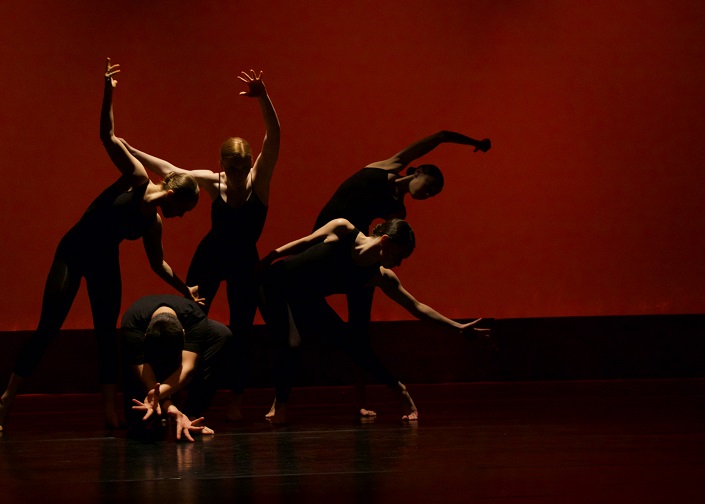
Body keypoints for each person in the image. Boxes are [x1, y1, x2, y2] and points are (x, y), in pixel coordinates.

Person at [0, 58, 202, 432]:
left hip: (104, 261)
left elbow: (158, 264)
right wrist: (108, 93)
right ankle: (5, 403)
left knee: (107, 335)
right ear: (170, 193)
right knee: (48, 328)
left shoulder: (152, 223)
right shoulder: (135, 178)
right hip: (73, 252)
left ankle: (108, 410)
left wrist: (185, 288)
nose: (180, 217)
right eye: (182, 210)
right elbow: (108, 135)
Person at [121, 69, 280, 420]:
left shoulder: (260, 182)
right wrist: (131, 150)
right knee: (189, 320)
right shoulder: (213, 182)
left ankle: (234, 399)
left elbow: (274, 138)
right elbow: (171, 170)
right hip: (210, 257)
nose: (238, 175)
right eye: (232, 169)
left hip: (243, 263)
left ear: (250, 164)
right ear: (221, 165)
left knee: (241, 330)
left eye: (243, 168)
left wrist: (263, 97)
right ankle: (173, 390)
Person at [313, 130, 490, 418]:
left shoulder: (397, 212)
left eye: (432, 194)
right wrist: (475, 143)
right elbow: (441, 136)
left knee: (360, 329)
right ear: (417, 170)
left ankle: (361, 399)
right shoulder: (389, 166)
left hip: (353, 253)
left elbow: (385, 240)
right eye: (429, 185)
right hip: (324, 238)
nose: (428, 194)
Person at [257, 218, 489, 424]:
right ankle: (281, 407)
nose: (399, 263)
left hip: (304, 296)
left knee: (350, 343)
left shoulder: (379, 276)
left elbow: (416, 307)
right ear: (385, 241)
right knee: (292, 343)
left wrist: (457, 328)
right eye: (399, 256)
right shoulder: (343, 229)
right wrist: (271, 256)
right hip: (273, 284)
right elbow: (306, 242)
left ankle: (400, 390)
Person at [122, 295, 231, 441]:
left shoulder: (194, 317)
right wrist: (171, 407)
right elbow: (146, 379)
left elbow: (187, 370)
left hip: (184, 338)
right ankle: (151, 416)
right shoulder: (132, 324)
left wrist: (160, 399)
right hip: (146, 352)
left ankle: (193, 413)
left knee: (221, 333)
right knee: (139, 423)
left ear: (184, 333)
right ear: (145, 336)